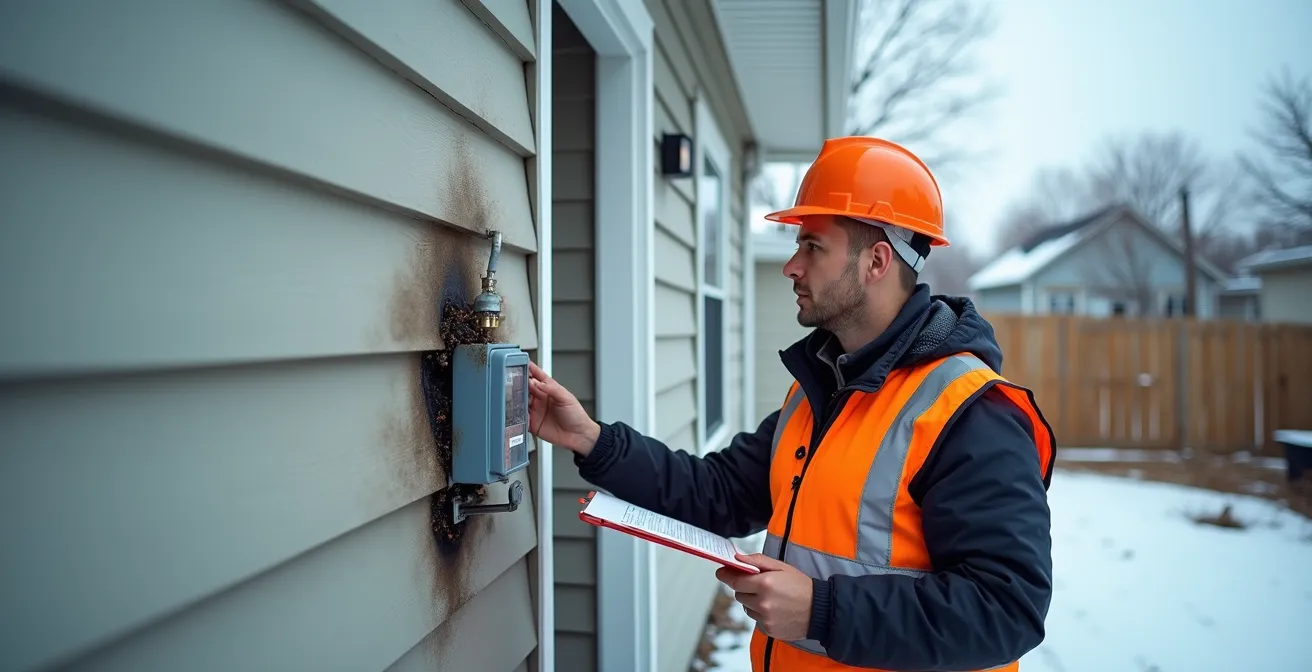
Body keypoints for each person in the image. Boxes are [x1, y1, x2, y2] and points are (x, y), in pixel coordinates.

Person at [527, 136, 1055, 672]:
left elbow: (1008, 608)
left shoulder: (970, 413)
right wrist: (589, 439)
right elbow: (719, 492)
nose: (792, 267)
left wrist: (821, 611)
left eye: (813, 247)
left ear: (876, 261)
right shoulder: (820, 388)